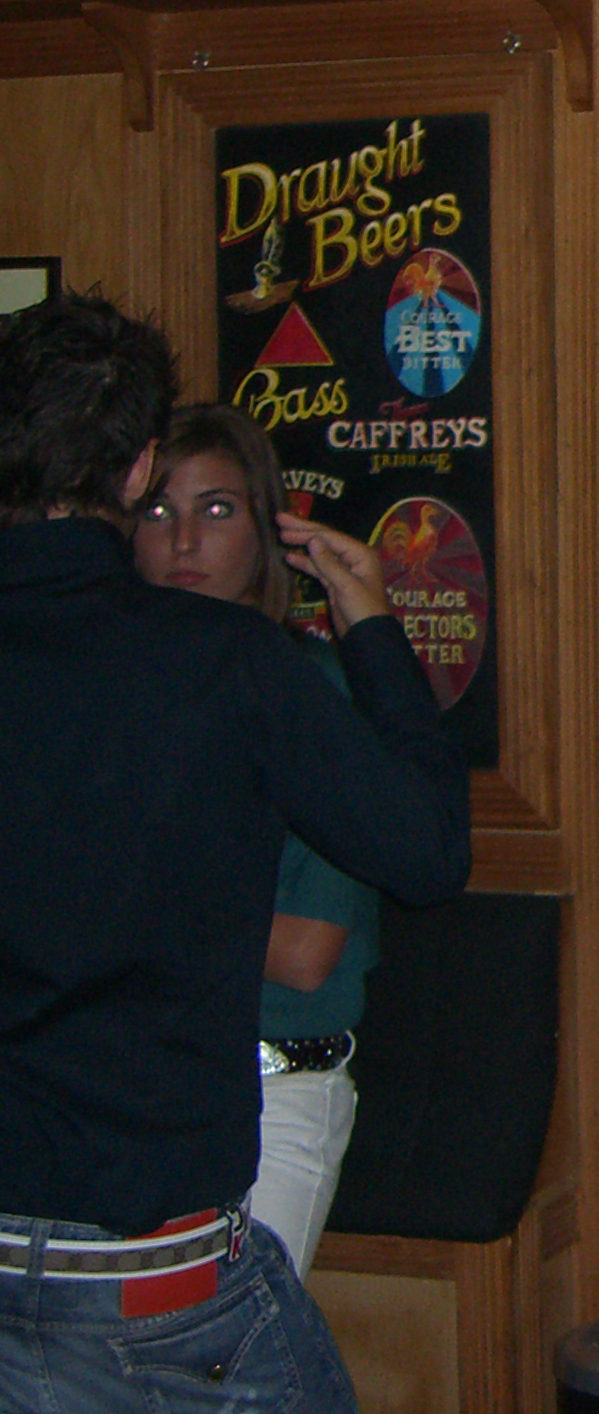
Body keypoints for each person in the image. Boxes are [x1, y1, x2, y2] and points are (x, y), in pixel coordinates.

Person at [0, 293, 470, 1413]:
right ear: (136, 471)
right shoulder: (222, 662)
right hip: (149, 1279)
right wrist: (374, 633)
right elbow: (427, 854)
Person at [130, 403, 381, 1278]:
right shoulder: (99, 687)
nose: (184, 541)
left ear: (268, 529)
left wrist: (106, 905)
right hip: (115, 1083)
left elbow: (307, 952)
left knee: (228, 1346)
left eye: (216, 509)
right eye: (157, 510)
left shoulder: (311, 690)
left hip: (273, 1088)